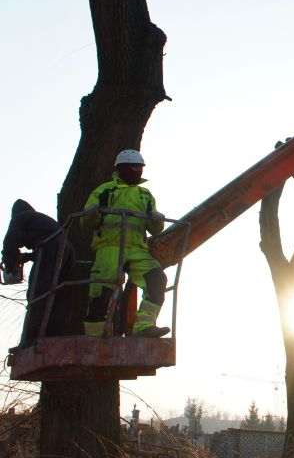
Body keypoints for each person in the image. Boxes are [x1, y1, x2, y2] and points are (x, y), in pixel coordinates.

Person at [82, 149, 169, 338]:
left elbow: (155, 229)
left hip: (137, 250)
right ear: (121, 169)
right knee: (101, 294)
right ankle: (95, 338)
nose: (138, 171)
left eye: (140, 168)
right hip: (109, 248)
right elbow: (87, 222)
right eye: (134, 168)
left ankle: (144, 326)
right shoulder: (105, 191)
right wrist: (91, 214)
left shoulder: (145, 195)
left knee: (157, 279)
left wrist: (157, 220)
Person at [2, 199, 75, 350]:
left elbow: (9, 244)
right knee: (59, 293)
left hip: (50, 247)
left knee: (38, 291)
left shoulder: (19, 218)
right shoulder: (39, 220)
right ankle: (55, 334)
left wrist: (9, 266)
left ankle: (31, 337)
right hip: (67, 250)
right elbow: (45, 243)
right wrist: (27, 257)